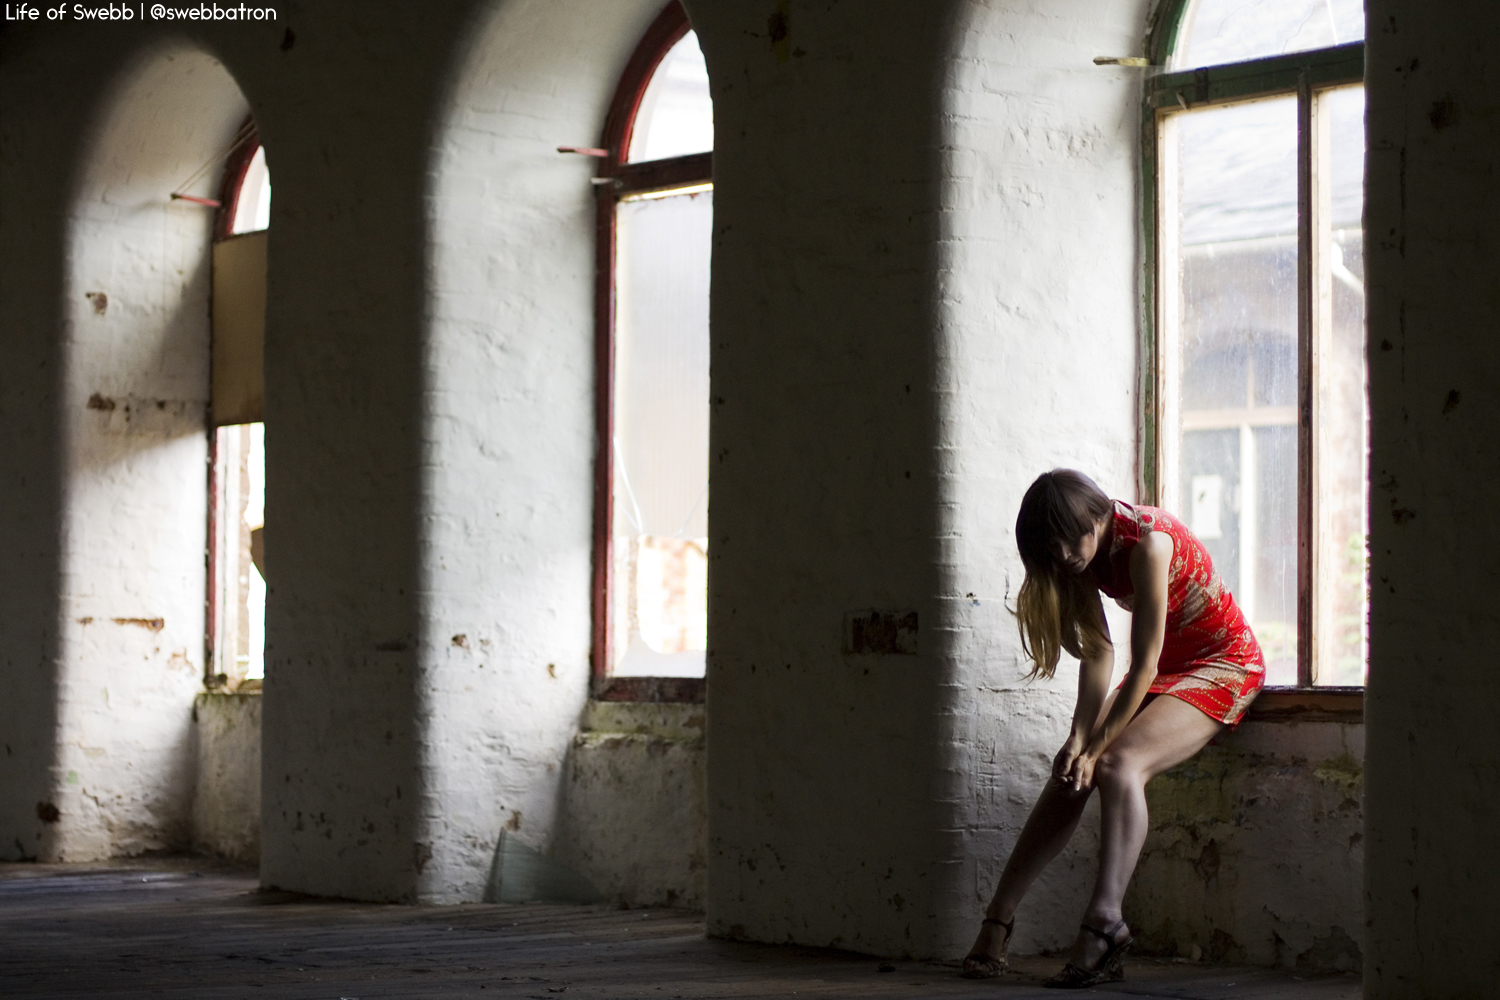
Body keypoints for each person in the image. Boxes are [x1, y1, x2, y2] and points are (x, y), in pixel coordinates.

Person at [961, 469, 1265, 988]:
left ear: (1096, 517)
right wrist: (1078, 739)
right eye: (1050, 549)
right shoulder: (1079, 555)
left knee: (1119, 765)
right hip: (1168, 669)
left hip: (1223, 662)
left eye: (1068, 540)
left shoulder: (1149, 544)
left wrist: (1097, 747)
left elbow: (1143, 664)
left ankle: (1105, 923)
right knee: (1070, 772)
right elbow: (1099, 654)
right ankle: (999, 917)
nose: (1062, 556)